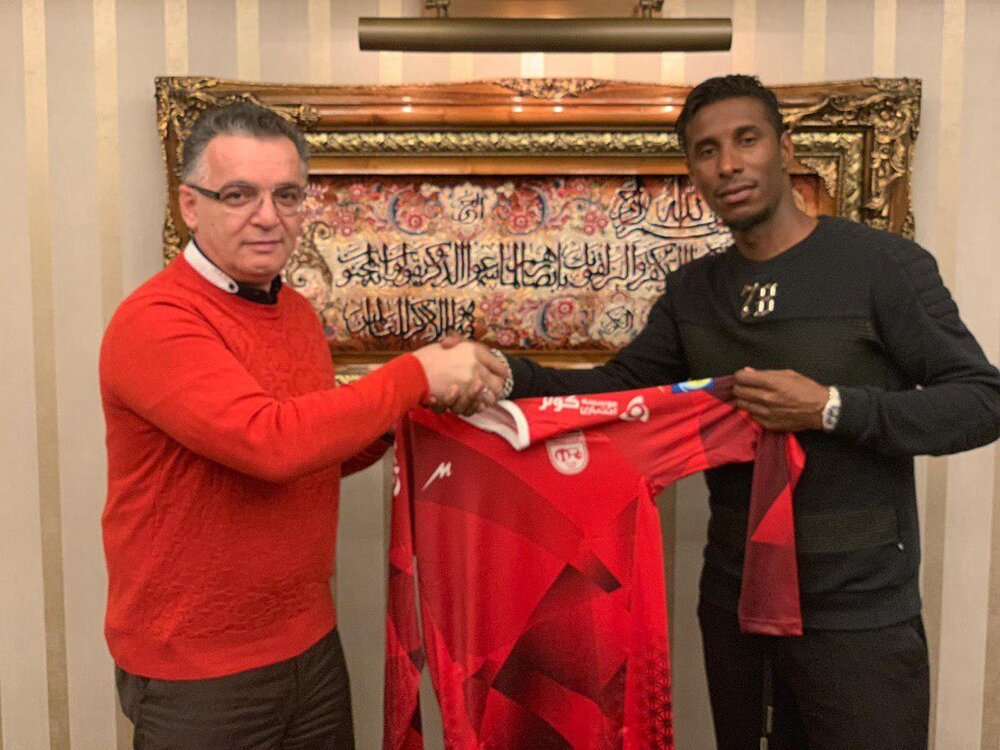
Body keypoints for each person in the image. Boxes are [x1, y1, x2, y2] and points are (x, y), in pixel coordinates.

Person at [490, 75, 1000, 749]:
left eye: (746, 140)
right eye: (707, 151)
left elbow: (981, 400)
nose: (728, 164)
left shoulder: (882, 266)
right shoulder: (694, 291)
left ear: (784, 150)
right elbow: (619, 392)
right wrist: (506, 375)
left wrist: (831, 408)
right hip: (737, 605)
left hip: (859, 609)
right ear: (694, 173)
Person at [100, 102, 508, 750]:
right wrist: (413, 375)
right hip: (199, 666)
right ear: (190, 206)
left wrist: (407, 412)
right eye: (239, 194)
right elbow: (270, 443)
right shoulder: (156, 320)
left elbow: (315, 454)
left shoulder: (293, 312)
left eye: (286, 195)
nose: (268, 216)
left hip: (309, 643)